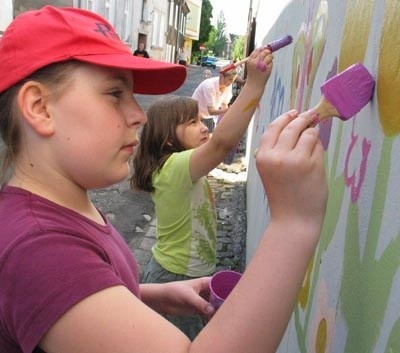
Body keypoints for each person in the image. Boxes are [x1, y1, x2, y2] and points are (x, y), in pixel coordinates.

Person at [0, 6, 328, 353]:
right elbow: (56, 278)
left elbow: (69, 293)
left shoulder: (61, 205)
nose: (139, 114)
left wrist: (150, 295)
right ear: (40, 108)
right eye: (115, 94)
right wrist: (294, 223)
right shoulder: (39, 248)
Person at [191, 66, 238, 133]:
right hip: (196, 114)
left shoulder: (228, 86)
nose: (231, 82)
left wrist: (227, 120)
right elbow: (211, 111)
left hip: (209, 116)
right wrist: (228, 110)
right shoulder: (209, 86)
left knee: (210, 138)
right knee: (199, 138)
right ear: (222, 76)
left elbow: (224, 104)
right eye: (230, 79)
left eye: (233, 80)